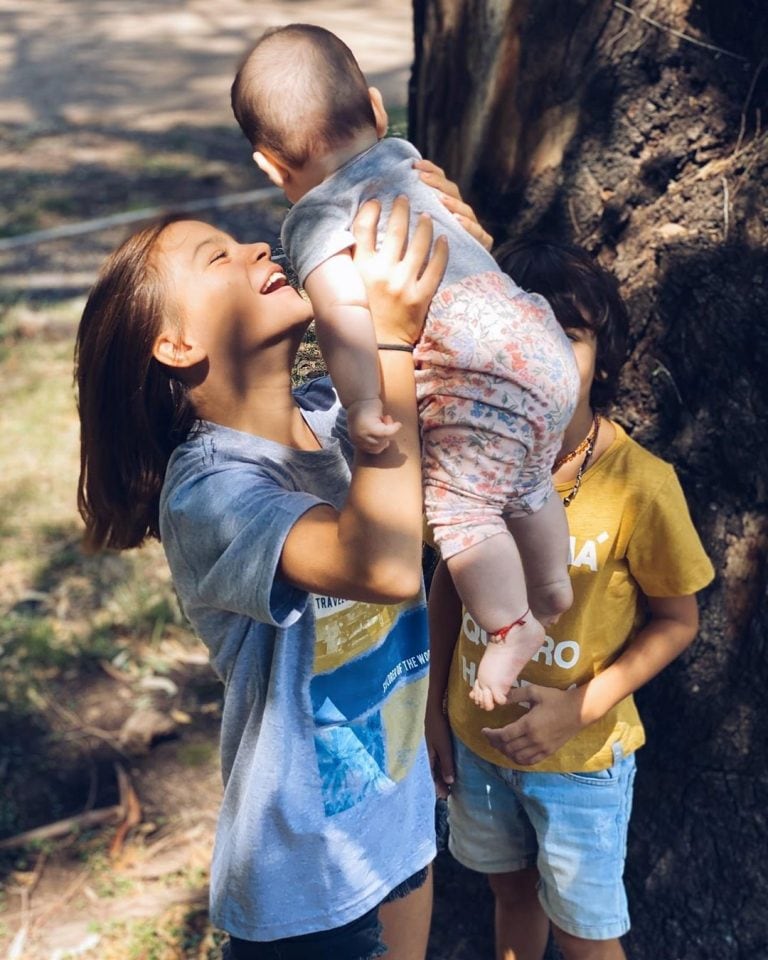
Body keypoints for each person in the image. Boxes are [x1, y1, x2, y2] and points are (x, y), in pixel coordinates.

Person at [75, 197, 449, 960]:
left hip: (399, 825)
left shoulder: (342, 416)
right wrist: (391, 344)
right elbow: (380, 565)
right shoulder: (209, 493)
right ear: (175, 344)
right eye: (216, 258)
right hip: (305, 887)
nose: (255, 246)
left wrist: (442, 212)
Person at [230, 23, 580, 710]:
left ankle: (512, 625)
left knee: (462, 510)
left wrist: (365, 405)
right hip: (538, 338)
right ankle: (553, 584)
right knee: (525, 478)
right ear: (377, 108)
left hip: (479, 373)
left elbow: (341, 317)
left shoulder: (315, 218)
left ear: (270, 166)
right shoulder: (409, 161)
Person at [425, 238, 715, 960]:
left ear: (605, 356)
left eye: (569, 332)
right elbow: (447, 584)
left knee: (586, 936)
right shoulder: (466, 463)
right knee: (509, 896)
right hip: (477, 743)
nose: (541, 351)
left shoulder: (642, 483)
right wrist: (435, 709)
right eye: (523, 329)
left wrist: (576, 709)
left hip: (580, 760)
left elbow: (679, 621)